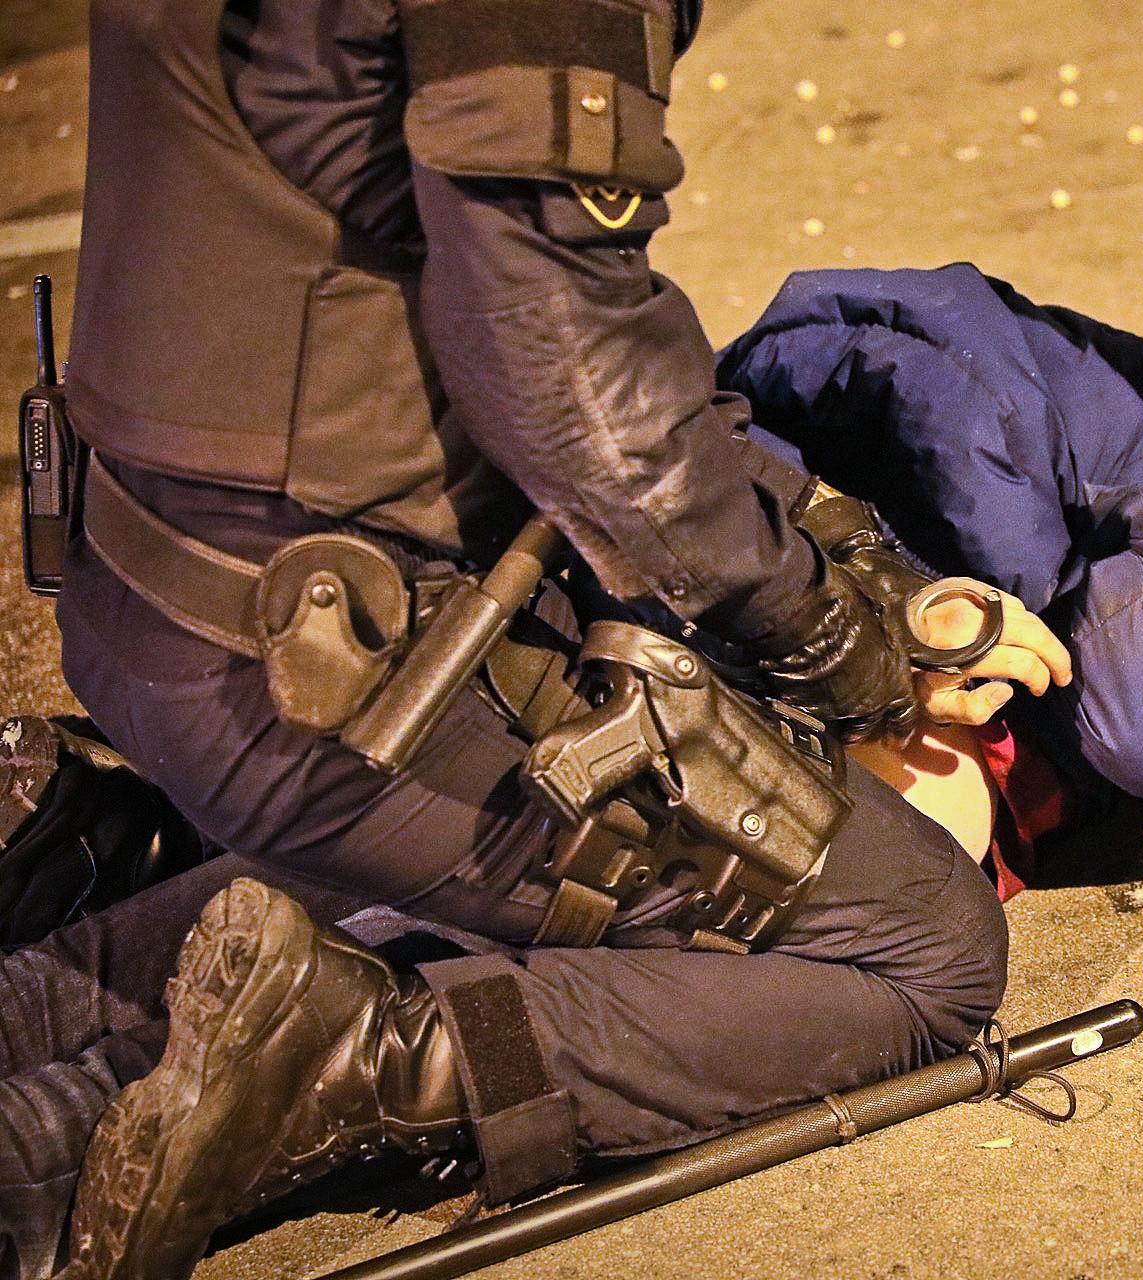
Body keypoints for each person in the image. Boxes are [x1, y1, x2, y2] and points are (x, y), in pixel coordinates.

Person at [39, 0, 1021, 1275]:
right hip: (323, 667)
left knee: (344, 907)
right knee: (923, 944)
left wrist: (850, 555)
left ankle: (50, 1005)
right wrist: (826, 639)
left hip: (149, 595)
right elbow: (570, 369)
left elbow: (538, 316)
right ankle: (360, 1060)